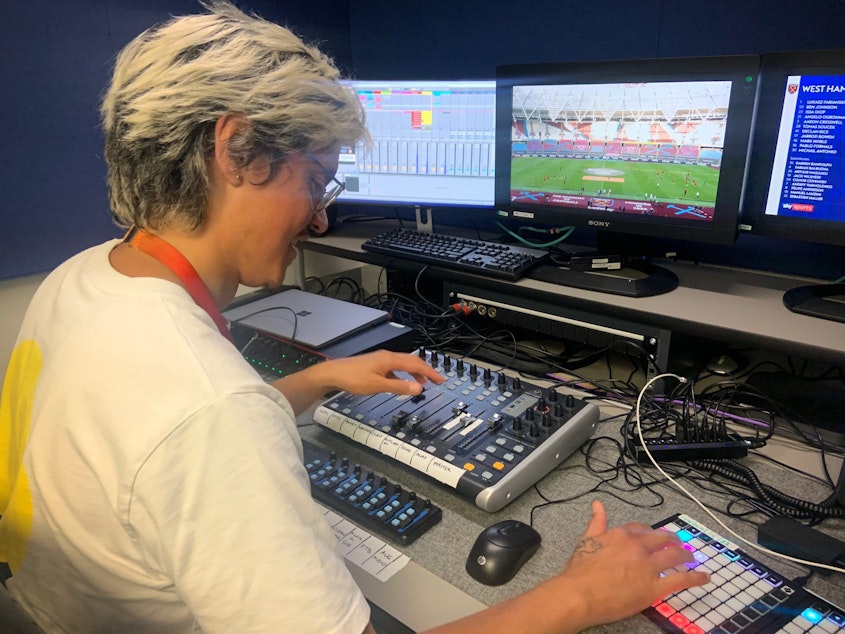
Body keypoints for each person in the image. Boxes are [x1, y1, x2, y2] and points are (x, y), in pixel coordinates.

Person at [0, 2, 709, 632]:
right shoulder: (213, 412)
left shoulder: (83, 277)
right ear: (236, 150)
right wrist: (577, 597)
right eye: (313, 181)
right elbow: (201, 424)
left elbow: (141, 450)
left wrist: (315, 381)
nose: (319, 217)